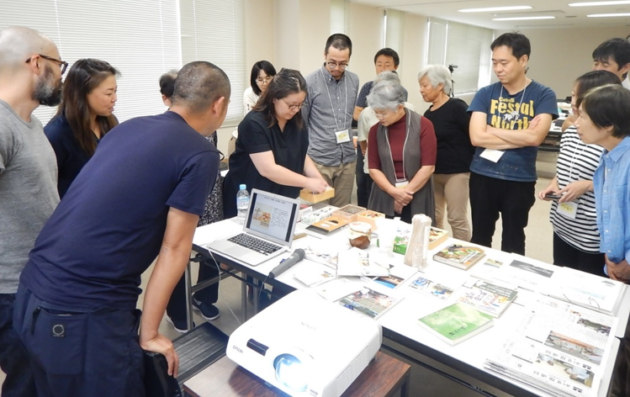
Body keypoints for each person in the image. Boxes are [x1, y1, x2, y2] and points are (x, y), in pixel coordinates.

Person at [13, 61, 229, 396]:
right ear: (219, 105)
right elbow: (174, 249)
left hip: (30, 295)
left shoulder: (129, 127)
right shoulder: (200, 153)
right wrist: (151, 333)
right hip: (82, 313)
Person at [0, 26, 63, 397]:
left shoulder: (31, 124)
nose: (62, 76)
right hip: (9, 292)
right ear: (36, 63)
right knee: (30, 386)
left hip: (35, 283)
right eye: (59, 65)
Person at [468, 32, 557, 255]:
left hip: (520, 179)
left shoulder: (543, 94)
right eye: (494, 63)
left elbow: (535, 138)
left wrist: (492, 129)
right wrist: (523, 133)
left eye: (504, 63)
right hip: (482, 175)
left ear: (523, 60)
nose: (498, 69)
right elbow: (476, 137)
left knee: (513, 240)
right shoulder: (485, 93)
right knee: (480, 237)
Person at [574, 84, 630, 397]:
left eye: (582, 116)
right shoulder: (610, 157)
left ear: (607, 124)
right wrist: (611, 258)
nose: (575, 122)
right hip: (616, 264)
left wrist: (627, 263)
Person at [159, 70, 224, 333]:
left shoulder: (208, 119)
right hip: (182, 201)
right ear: (168, 99)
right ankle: (176, 309)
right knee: (178, 253)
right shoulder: (168, 127)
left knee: (213, 251)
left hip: (211, 196)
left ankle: (204, 297)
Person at [538, 71, 621, 275]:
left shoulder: (609, 142)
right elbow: (567, 166)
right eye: (573, 95)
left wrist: (587, 184)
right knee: (562, 275)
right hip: (564, 222)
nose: (573, 102)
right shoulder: (573, 132)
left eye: (577, 96)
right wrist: (554, 183)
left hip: (591, 231)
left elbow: (617, 182)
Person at [224, 68, 327, 218]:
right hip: (250, 200)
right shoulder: (254, 123)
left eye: (300, 105)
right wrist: (307, 182)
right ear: (274, 98)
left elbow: (300, 154)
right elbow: (268, 169)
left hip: (280, 198)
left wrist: (317, 179)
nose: (296, 110)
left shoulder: (296, 121)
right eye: (291, 104)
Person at [45, 59, 119, 198]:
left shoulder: (109, 122)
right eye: (109, 93)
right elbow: (49, 188)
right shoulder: (57, 133)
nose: (114, 98)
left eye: (115, 91)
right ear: (82, 93)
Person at [366, 79, 437, 224]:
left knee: (416, 239)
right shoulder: (375, 131)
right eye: (376, 113)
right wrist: (394, 193)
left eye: (383, 113)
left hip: (417, 193)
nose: (379, 118)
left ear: (399, 107)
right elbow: (373, 169)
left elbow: (428, 167)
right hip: (385, 193)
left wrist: (404, 195)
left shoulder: (423, 125)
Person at [303, 33, 359, 207]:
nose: (336, 67)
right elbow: (302, 123)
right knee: (318, 215)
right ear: (324, 55)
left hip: (347, 159)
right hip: (320, 160)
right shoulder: (309, 82)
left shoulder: (353, 80)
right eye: (332, 62)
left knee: (342, 214)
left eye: (343, 64)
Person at [419, 64, 473, 241]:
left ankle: (464, 253)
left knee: (456, 217)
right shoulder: (427, 114)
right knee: (434, 217)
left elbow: (473, 135)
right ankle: (438, 249)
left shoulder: (456, 107)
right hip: (435, 172)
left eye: (425, 85)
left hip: (456, 172)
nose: (421, 90)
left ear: (440, 85)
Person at [357, 71, 414, 207]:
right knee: (375, 206)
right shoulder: (366, 113)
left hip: (402, 168)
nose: (379, 116)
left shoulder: (409, 109)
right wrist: (367, 152)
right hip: (376, 169)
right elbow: (363, 138)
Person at [562, 38, 630, 131]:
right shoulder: (590, 87)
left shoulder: (626, 96)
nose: (598, 69)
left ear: (625, 67)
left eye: (605, 65)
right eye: (596, 63)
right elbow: (566, 124)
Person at [229, 60, 278, 158]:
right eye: (260, 79)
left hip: (267, 140)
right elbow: (252, 121)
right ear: (254, 80)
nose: (264, 83)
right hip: (243, 139)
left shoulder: (279, 94)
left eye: (268, 78)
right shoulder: (250, 93)